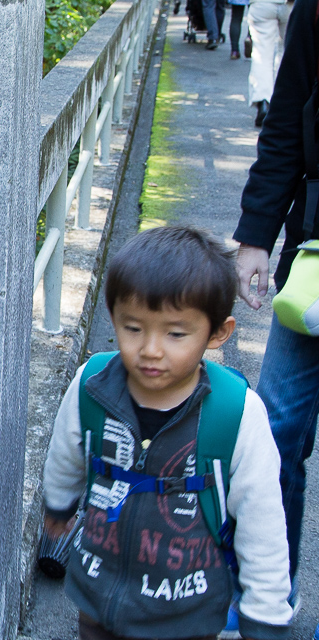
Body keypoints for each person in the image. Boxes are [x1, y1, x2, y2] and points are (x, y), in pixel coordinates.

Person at [44, 226, 292, 640]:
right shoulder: (92, 385)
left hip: (187, 614)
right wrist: (58, 505)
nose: (151, 349)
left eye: (176, 333)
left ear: (217, 333)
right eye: (133, 327)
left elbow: (262, 523)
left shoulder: (237, 414)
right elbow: (67, 451)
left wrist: (264, 615)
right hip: (98, 598)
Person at [234, 0, 318, 618]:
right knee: (277, 429)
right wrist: (256, 238)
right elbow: (286, 126)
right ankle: (269, 594)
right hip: (315, 258)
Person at [246, 0, 292, 125]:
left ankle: (263, 102)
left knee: (261, 54)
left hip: (262, 4)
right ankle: (283, 104)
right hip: (289, 4)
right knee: (286, 53)